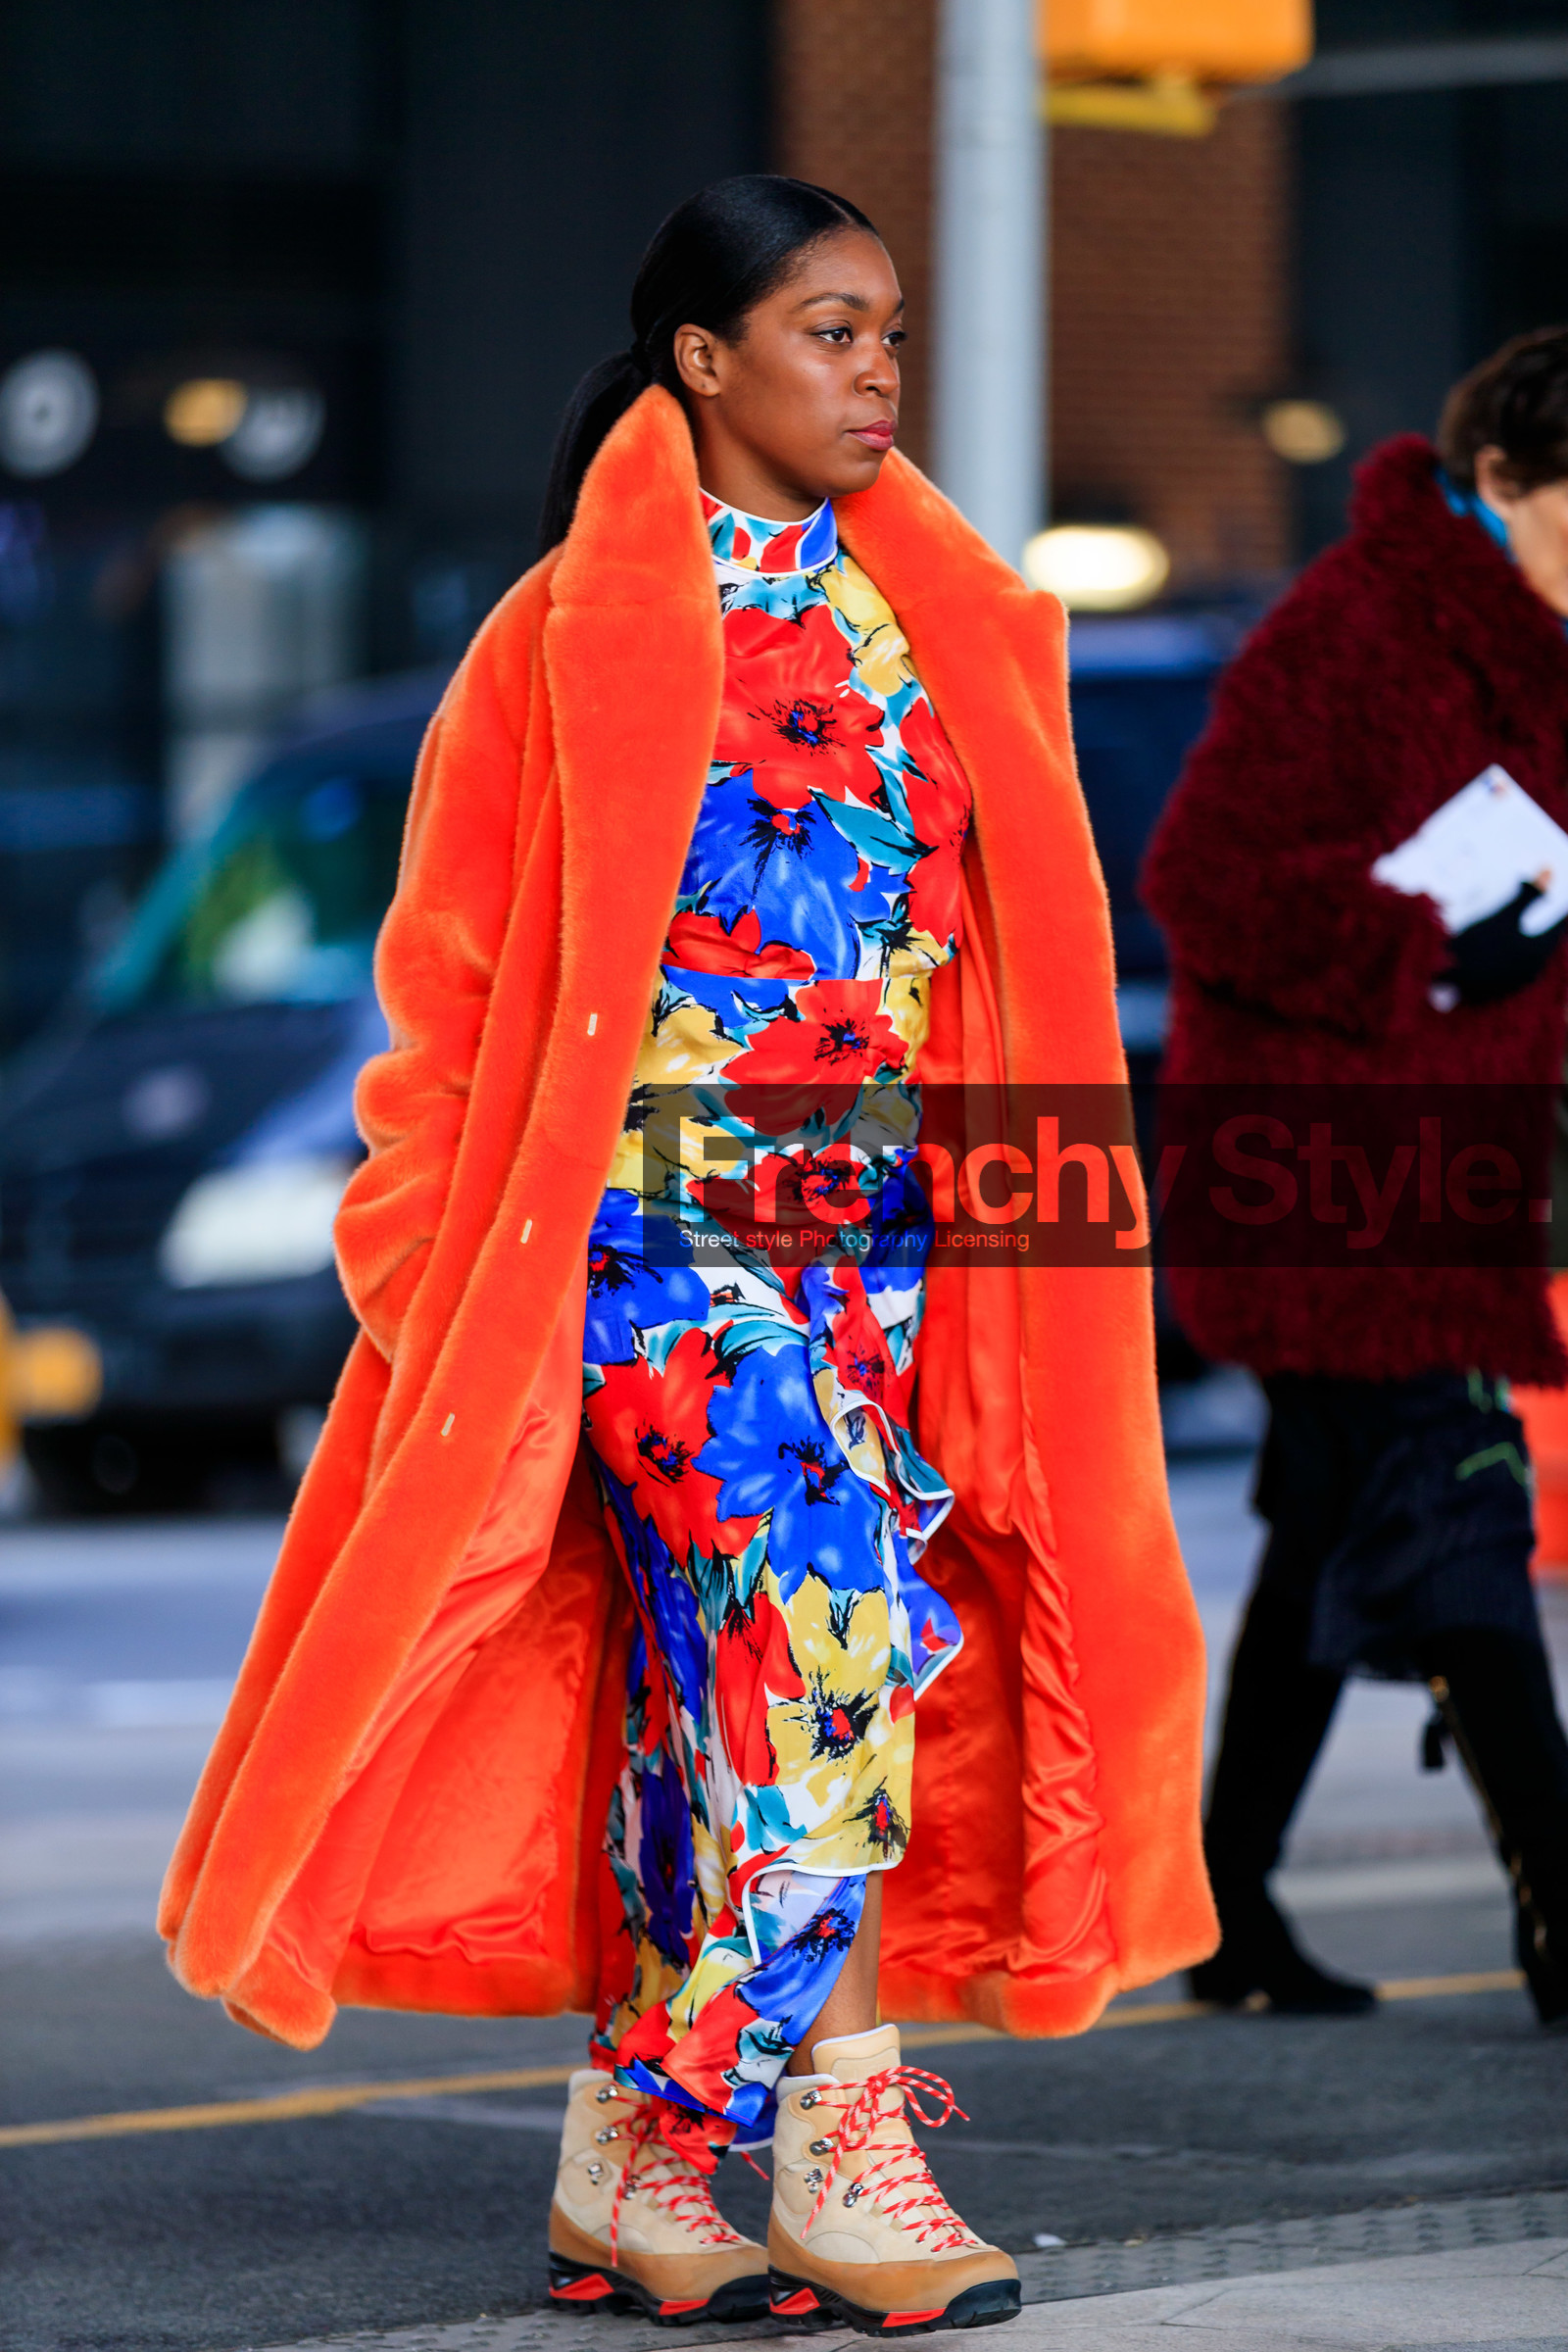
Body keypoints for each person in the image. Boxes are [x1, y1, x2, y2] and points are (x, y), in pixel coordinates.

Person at [160, 177, 1215, 2333]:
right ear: (699, 362)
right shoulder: (562, 634)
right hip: (647, 1247)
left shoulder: (950, 630)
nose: (876, 375)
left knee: (719, 1715)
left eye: (891, 335)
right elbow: (439, 993)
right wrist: (422, 1255)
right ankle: (816, 2142)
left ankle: (637, 2177)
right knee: (833, 1654)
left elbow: (978, 987)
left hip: (893, 1255)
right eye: (828, 330)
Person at [1142, 326, 1568, 2028]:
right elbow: (1203, 873)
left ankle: (1224, 1905)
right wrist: (1426, 940)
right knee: (1454, 1503)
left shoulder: (1538, 660)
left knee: (1335, 1530)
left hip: (1434, 1178)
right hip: (1324, 1174)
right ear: (1504, 484)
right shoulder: (1360, 625)